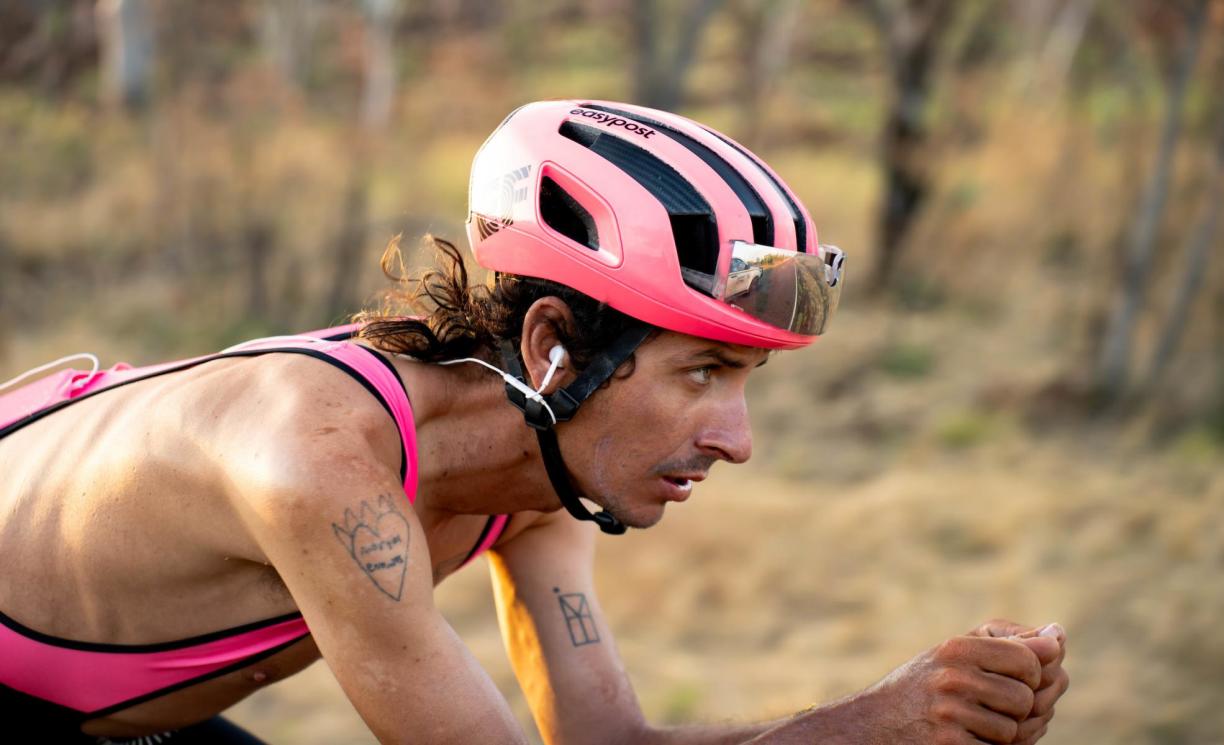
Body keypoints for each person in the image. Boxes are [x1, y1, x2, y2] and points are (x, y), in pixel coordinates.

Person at [0, 100, 1068, 744]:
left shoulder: (538, 474)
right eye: (703, 373)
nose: (739, 438)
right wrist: (868, 724)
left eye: (746, 381)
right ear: (555, 341)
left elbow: (602, 740)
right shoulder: (318, 460)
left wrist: (893, 725)